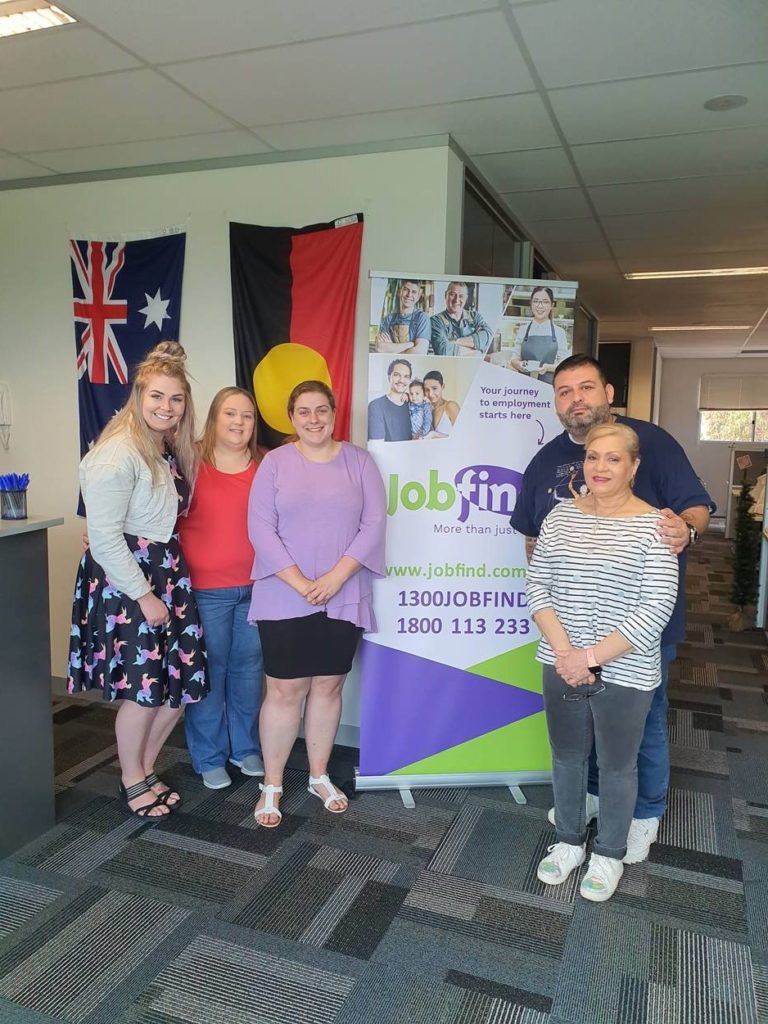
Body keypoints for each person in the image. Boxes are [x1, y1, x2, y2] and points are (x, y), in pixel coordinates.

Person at [510, 353, 713, 863]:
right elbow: (534, 543)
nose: (576, 398)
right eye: (564, 391)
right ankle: (597, 802)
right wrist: (559, 628)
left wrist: (684, 530)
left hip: (636, 633)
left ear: (608, 394)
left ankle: (643, 814)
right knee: (579, 738)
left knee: (638, 731)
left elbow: (696, 509)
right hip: (569, 636)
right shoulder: (543, 463)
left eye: (586, 387)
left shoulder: (653, 443)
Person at [527, 423, 679, 901]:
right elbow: (538, 587)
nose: (600, 467)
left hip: (626, 670)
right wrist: (566, 655)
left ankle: (609, 853)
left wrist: (588, 658)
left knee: (617, 766)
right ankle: (569, 841)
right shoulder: (559, 518)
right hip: (561, 661)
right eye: (593, 457)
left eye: (613, 459)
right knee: (568, 758)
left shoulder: (655, 526)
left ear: (634, 466)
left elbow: (654, 609)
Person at [67, 342, 208, 818]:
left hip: (167, 569)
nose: (166, 407)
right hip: (132, 579)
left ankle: (145, 767)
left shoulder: (164, 445)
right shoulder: (117, 451)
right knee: (145, 688)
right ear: (138, 395)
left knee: (181, 684)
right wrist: (145, 595)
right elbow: (106, 541)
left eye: (176, 399)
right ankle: (132, 780)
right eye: (157, 397)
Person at [248, 381, 386, 827]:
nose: (313, 419)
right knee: (285, 691)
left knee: (328, 686)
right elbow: (260, 529)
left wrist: (332, 579)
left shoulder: (359, 462)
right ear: (292, 417)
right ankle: (272, 783)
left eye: (321, 410)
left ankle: (319, 775)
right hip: (283, 592)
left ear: (333, 412)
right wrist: (300, 581)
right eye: (303, 411)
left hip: (342, 592)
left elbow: (373, 524)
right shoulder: (274, 463)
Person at [179, 387, 264, 790]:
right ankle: (209, 756)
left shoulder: (267, 463)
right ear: (214, 417)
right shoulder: (186, 459)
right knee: (208, 673)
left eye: (247, 415)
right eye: (230, 413)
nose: (238, 422)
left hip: (259, 587)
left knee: (248, 671)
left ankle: (244, 747)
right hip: (205, 589)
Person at [507, 286, 570, 385]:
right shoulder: (523, 330)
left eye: (545, 302)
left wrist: (547, 367)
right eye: (536, 301)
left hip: (548, 388)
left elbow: (565, 365)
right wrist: (519, 365)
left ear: (552, 305)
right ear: (531, 303)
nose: (540, 306)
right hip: (524, 388)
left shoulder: (559, 332)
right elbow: (514, 359)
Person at [430, 281, 492, 357]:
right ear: (445, 295)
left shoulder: (475, 317)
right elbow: (443, 350)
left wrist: (455, 342)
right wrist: (476, 352)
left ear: (466, 298)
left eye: (461, 296)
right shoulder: (436, 321)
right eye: (452, 294)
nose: (456, 300)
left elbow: (487, 336)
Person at [374, 280, 430, 355]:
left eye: (414, 292)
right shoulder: (389, 319)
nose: (409, 295)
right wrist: (409, 345)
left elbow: (420, 352)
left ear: (418, 296)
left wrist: (391, 348)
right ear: (399, 291)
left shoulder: (422, 318)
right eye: (406, 289)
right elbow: (380, 347)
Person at [367, 358, 413, 442]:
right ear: (389, 377)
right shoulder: (376, 406)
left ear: (410, 380)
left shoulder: (413, 405)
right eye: (397, 375)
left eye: (406, 376)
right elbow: (377, 446)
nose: (401, 380)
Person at [423, 369, 460, 437]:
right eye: (427, 390)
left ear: (443, 387)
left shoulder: (450, 406)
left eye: (434, 388)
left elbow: (463, 436)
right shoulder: (427, 411)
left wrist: (435, 434)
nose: (430, 394)